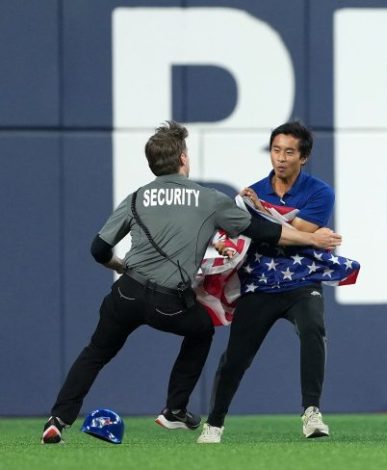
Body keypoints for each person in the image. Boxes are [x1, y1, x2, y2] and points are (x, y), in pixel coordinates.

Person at [41, 121, 341, 444]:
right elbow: (265, 231)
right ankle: (174, 410)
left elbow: (98, 249)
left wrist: (122, 265)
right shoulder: (207, 199)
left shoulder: (136, 197)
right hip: (167, 303)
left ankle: (58, 418)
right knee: (202, 330)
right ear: (183, 159)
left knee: (95, 352)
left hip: (126, 295)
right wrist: (312, 237)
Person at [198, 121, 338, 444]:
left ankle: (311, 412)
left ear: (303, 157)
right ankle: (214, 424)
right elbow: (290, 234)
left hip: (301, 280)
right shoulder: (254, 191)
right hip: (259, 284)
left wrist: (258, 216)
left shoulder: (320, 192)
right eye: (276, 150)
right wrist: (307, 236)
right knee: (236, 357)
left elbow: (291, 233)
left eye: (290, 152)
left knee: (313, 327)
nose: (281, 158)